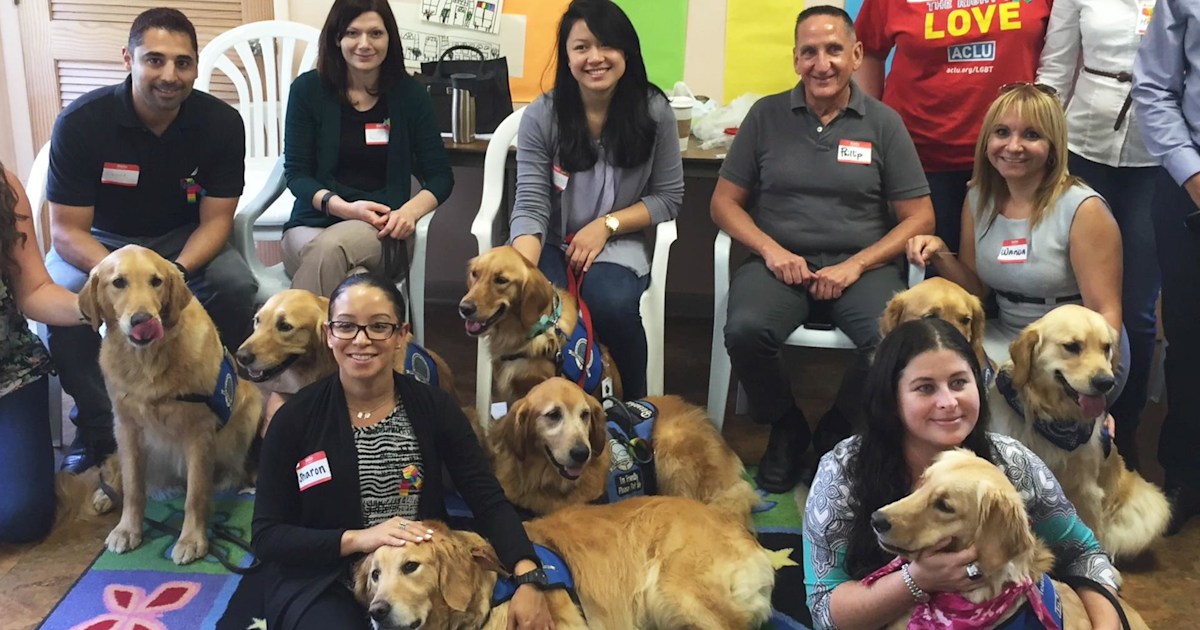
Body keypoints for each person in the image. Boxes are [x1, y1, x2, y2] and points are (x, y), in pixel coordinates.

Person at [711, 6, 934, 493]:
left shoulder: (884, 123)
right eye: (809, 52)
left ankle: (839, 427)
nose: (822, 63)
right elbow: (723, 204)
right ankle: (786, 426)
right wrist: (771, 251)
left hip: (862, 267)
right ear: (795, 60)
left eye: (834, 49)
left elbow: (920, 217)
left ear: (856, 55)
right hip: (779, 266)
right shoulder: (765, 116)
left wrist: (856, 265)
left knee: (893, 338)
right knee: (746, 329)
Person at [252, 273, 555, 629]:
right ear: (328, 334)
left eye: (379, 326)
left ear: (402, 335)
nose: (361, 340)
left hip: (418, 570)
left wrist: (528, 576)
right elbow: (267, 536)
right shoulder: (293, 419)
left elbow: (487, 499)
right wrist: (358, 539)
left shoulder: (434, 406)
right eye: (346, 326)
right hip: (322, 577)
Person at [42, 8, 256, 474]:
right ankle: (99, 426)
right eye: (154, 60)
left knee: (236, 285)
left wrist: (172, 274)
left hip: (183, 242)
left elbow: (217, 220)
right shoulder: (81, 123)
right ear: (128, 59)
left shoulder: (221, 124)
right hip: (100, 244)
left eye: (183, 63)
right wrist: (115, 277)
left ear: (196, 67)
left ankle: (217, 404)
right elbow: (65, 231)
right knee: (64, 303)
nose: (169, 75)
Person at [803, 318, 1122, 629]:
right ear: (892, 398)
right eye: (925, 388)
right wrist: (917, 581)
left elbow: (1086, 554)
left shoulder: (1011, 462)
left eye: (959, 382)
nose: (948, 402)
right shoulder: (843, 470)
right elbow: (825, 613)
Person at [509, 0, 684, 400]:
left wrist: (605, 226)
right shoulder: (543, 115)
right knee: (539, 304)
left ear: (626, 51)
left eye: (607, 45)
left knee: (610, 302)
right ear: (567, 57)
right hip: (550, 240)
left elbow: (668, 199)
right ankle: (541, 414)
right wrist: (523, 271)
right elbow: (532, 205)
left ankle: (635, 408)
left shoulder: (655, 111)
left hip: (618, 241)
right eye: (581, 47)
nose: (595, 58)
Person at [907, 84, 1129, 392]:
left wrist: (1099, 381)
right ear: (987, 140)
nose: (1013, 146)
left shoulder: (1084, 209)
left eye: (1031, 135)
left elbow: (1105, 312)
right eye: (1001, 132)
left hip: (1073, 350)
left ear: (1053, 146)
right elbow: (976, 288)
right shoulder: (977, 198)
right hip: (1005, 335)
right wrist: (941, 252)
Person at [1037, 0, 1161, 469]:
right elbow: (1054, 67)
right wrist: (1037, 144)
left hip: (1159, 154)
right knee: (1076, 294)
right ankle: (1059, 421)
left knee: (1137, 307)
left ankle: (1122, 430)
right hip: (1083, 143)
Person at [282, 0, 453, 298]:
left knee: (330, 250)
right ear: (337, 38)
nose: (364, 44)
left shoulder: (411, 95)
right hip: (310, 225)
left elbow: (440, 176)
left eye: (375, 33)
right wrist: (344, 208)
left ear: (390, 39)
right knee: (355, 282)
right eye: (352, 33)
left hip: (383, 230)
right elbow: (297, 175)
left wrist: (409, 213)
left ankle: (295, 343)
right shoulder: (307, 91)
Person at [854, 0, 1052, 256]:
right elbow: (868, 48)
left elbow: (1065, 53)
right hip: (919, 161)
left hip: (1014, 158)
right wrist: (873, 127)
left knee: (1012, 276)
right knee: (932, 279)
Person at [1132, 0, 1200, 535]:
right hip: (1191, 186)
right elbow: (1154, 86)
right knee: (1191, 337)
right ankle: (1185, 474)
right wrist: (1192, 175)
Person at [0, 163, 84, 543]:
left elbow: (33, 291)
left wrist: (97, 307)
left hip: (9, 374)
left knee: (20, 519)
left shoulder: (4, 185)